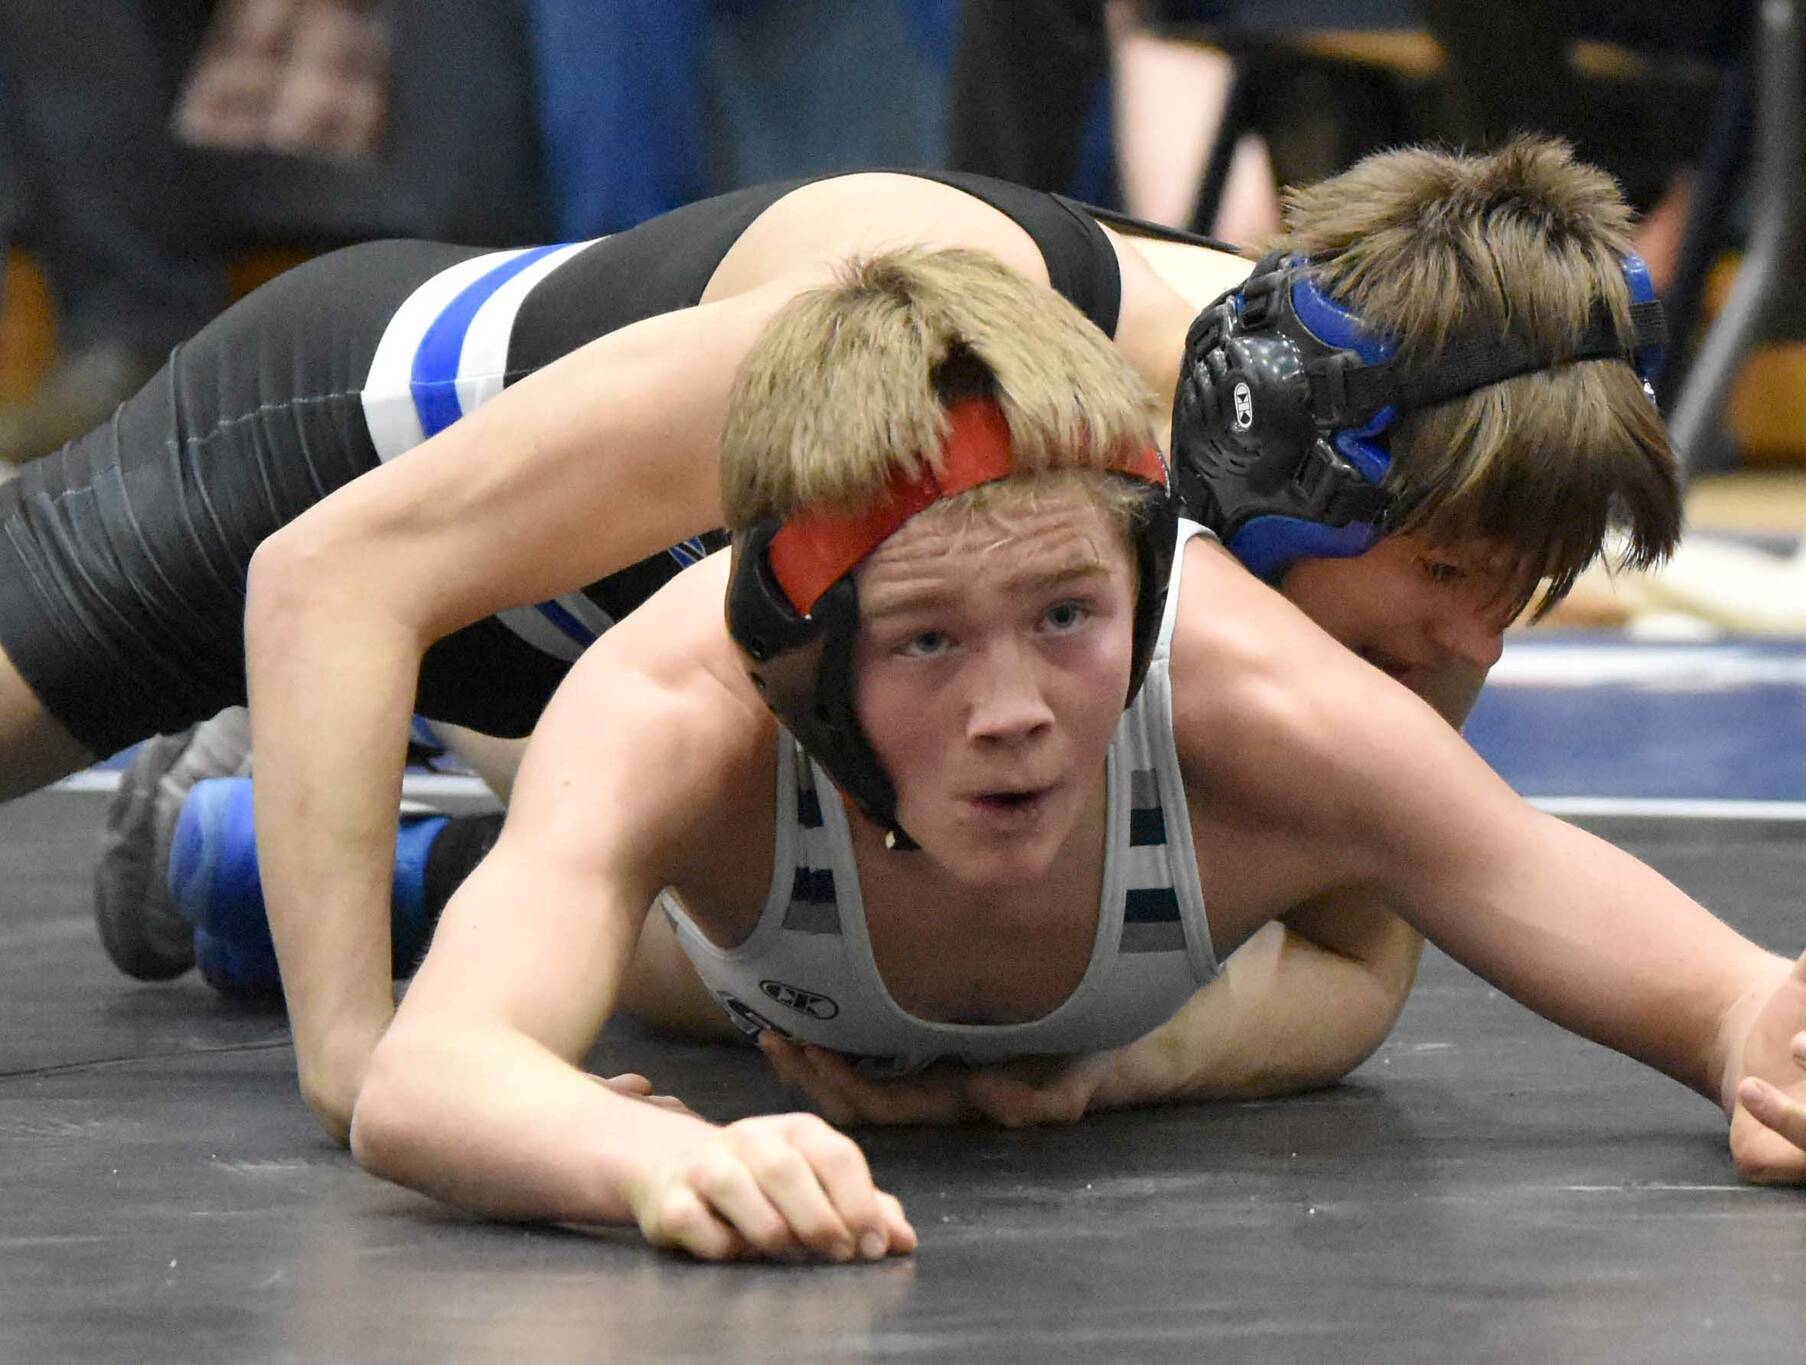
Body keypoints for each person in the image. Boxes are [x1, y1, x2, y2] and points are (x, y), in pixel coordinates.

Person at [0, 140, 1677, 1140]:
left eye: (1516, 596)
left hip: (624, 643)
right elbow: (331, 574)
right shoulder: (934, 325)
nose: (1469, 646)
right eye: (1456, 581)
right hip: (312, 467)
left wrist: (1105, 1061)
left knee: (867, 913)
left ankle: (346, 841)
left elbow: (1354, 959)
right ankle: (324, 819)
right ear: (1288, 471)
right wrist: (359, 1063)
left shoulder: (1404, 523)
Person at [347, 246, 1806, 1261]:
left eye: (1065, 615)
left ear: (1142, 578)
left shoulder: (1252, 694)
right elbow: (429, 1077)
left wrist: (1771, 1031)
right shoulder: (683, 708)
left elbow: (1600, 921)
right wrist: (658, 1155)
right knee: (545, 804)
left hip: (932, 966)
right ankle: (415, 847)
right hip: (723, 961)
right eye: (927, 641)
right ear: (803, 659)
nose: (1013, 707)